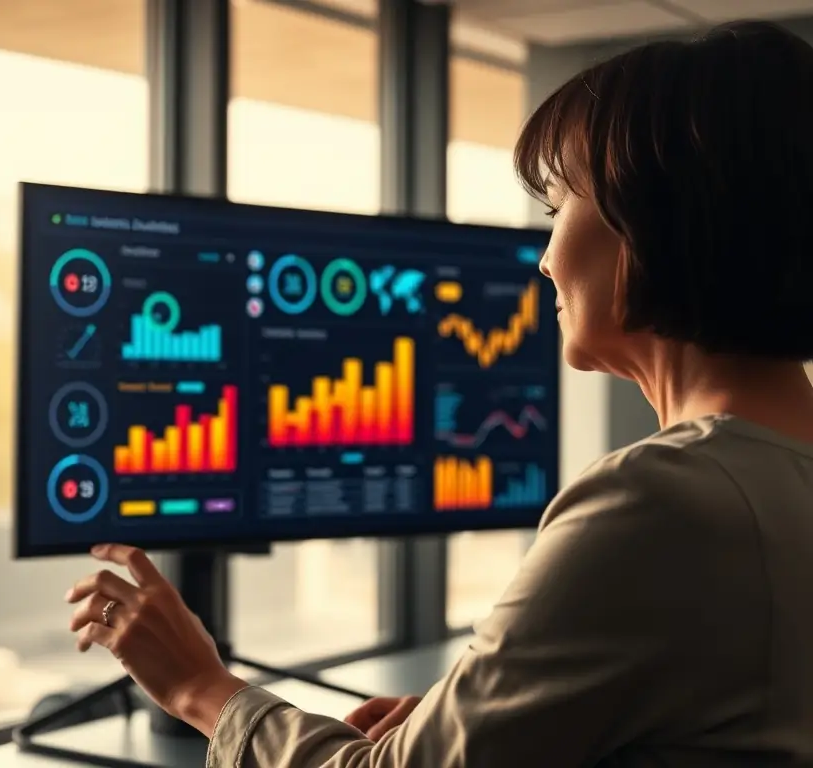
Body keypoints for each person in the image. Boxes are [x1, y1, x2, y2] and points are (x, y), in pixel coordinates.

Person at [65, 19, 813, 767]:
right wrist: (490, 710)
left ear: (653, 220)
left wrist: (201, 688)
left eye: (558, 209)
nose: (546, 261)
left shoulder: (663, 501)